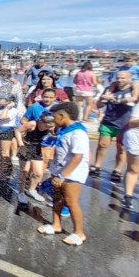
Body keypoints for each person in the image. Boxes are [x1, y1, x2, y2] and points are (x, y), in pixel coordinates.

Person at [36, 102, 89, 246]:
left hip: (72, 174)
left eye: (54, 117)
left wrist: (62, 176)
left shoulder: (78, 133)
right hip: (59, 170)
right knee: (57, 199)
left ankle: (79, 232)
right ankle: (56, 225)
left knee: (71, 202)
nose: (53, 120)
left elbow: (78, 156)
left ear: (62, 115)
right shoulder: (64, 130)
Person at [90, 71, 139, 181]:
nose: (120, 80)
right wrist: (105, 98)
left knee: (121, 149)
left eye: (123, 78)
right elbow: (98, 105)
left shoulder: (133, 89)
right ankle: (97, 166)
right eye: (118, 78)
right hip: (108, 121)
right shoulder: (110, 88)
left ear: (129, 78)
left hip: (124, 123)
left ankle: (117, 170)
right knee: (102, 145)